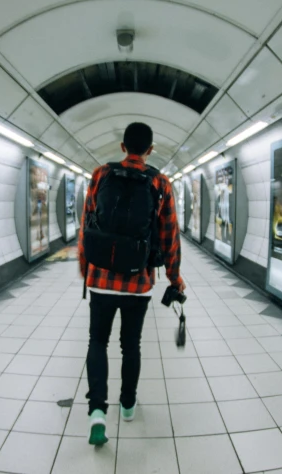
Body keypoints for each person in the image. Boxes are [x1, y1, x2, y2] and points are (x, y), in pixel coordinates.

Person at [78, 122, 185, 446]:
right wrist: (174, 278)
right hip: (138, 282)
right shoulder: (160, 182)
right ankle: (127, 404)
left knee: (98, 342)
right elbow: (169, 236)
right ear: (150, 150)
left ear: (123, 147)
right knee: (131, 345)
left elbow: (86, 225)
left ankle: (97, 411)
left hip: (100, 280)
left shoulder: (100, 175)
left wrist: (87, 271)